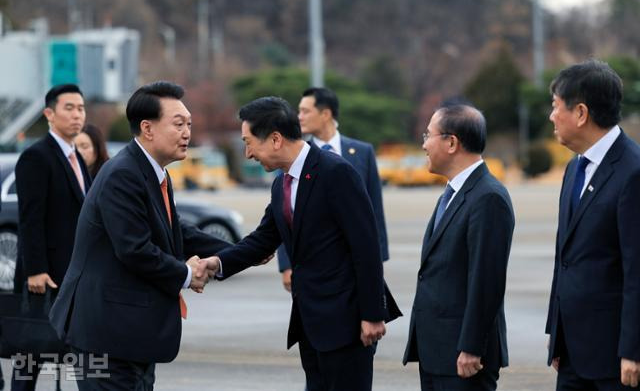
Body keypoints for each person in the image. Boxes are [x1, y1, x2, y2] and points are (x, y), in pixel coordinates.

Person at [199, 96, 400, 391]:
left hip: (347, 323)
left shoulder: (336, 172)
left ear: (276, 139)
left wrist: (372, 315)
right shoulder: (282, 184)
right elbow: (263, 238)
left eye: (249, 142)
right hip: (311, 324)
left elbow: (366, 247)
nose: (248, 153)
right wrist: (217, 263)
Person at [49, 81, 231, 390]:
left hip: (130, 333)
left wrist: (236, 249)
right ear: (148, 128)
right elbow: (134, 249)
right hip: (105, 333)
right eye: (178, 124)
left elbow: (175, 230)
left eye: (189, 123)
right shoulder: (123, 174)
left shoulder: (152, 170)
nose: (188, 132)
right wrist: (187, 274)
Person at [402, 104, 514, 391]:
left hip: (464, 357)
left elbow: (486, 281)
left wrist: (472, 347)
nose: (424, 144)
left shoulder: (488, 198)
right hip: (437, 352)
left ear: (451, 142)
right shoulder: (454, 193)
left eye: (428, 135)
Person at [545, 60, 640, 390]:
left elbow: (637, 270)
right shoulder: (574, 169)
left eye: (556, 107)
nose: (551, 116)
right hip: (572, 352)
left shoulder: (632, 171)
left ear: (581, 113)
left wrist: (633, 350)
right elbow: (565, 258)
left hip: (614, 358)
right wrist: (556, 336)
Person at [12, 84, 91, 391]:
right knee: (31, 353)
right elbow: (29, 218)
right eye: (69, 108)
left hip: (72, 273)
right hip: (44, 275)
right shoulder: (36, 157)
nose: (76, 115)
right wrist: (35, 269)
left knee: (67, 349)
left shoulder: (76, 158)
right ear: (49, 113)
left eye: (81, 108)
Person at [276, 87, 389, 292]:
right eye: (298, 111)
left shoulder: (363, 152)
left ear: (326, 114)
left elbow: (375, 211)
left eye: (305, 111)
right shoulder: (295, 155)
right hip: (311, 264)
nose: (299, 117)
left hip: (355, 260)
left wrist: (377, 259)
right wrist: (286, 265)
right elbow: (284, 213)